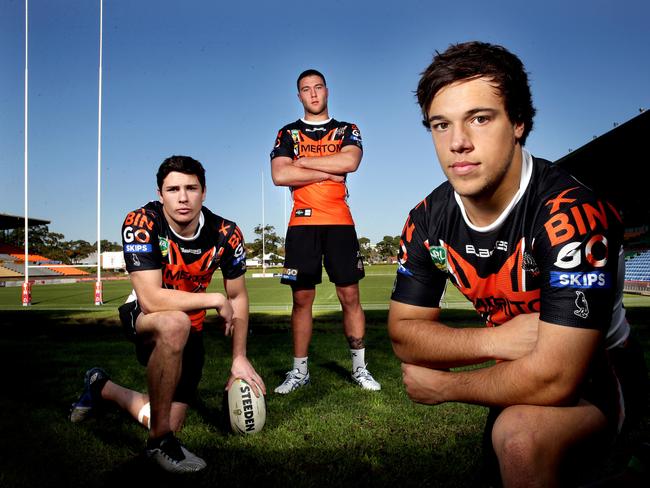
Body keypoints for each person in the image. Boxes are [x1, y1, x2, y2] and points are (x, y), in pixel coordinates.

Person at [388, 41, 647, 486]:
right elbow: (404, 335)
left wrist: (448, 386)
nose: (458, 143)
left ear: (519, 123)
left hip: (599, 376)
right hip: (513, 368)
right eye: (440, 125)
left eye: (480, 118)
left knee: (519, 440)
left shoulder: (570, 213)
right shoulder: (427, 220)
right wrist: (499, 340)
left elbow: (556, 376)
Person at [70, 155, 266, 473]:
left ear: (204, 192)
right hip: (147, 316)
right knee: (175, 321)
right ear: (160, 194)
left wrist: (239, 357)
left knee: (171, 418)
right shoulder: (142, 222)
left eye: (191, 188)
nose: (183, 197)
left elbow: (238, 295)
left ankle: (101, 385)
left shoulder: (226, 234)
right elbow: (150, 299)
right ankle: (159, 443)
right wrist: (213, 297)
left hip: (194, 328)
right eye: (173, 189)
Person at [270, 69, 380, 393]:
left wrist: (303, 164)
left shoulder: (347, 129)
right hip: (302, 224)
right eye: (306, 89)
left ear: (327, 91)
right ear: (299, 95)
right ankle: (300, 371)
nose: (313, 94)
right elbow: (279, 174)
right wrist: (327, 173)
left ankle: (360, 369)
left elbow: (351, 162)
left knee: (350, 296)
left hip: (339, 222)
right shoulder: (287, 133)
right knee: (302, 299)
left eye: (318, 87)